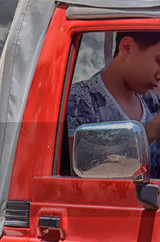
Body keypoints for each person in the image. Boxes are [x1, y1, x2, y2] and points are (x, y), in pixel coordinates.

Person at [65, 30, 160, 175]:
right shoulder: (81, 100)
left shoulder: (151, 100)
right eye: (158, 61)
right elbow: (85, 167)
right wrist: (151, 131)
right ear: (127, 47)